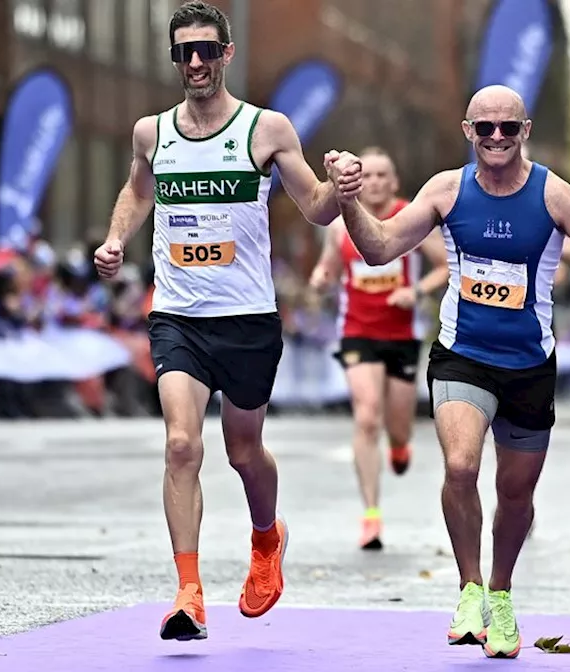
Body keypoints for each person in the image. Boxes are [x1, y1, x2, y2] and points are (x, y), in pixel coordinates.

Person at [323, 84, 570, 659]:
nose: (495, 137)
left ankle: (501, 592)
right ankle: (470, 588)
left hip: (529, 364)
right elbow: (378, 249)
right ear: (467, 132)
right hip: (462, 353)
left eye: (507, 127)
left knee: (516, 493)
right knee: (459, 464)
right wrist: (349, 199)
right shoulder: (447, 191)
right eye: (484, 128)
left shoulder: (555, 196)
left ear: (524, 131)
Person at [92, 0, 349, 642]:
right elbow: (137, 189)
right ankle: (188, 592)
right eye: (185, 52)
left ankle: (267, 537)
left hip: (248, 319)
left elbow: (314, 207)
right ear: (175, 58)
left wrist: (339, 188)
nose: (197, 62)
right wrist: (117, 237)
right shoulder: (152, 132)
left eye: (208, 49)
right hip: (178, 314)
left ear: (227, 54)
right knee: (182, 444)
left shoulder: (266, 129)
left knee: (243, 451)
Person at [308, 146, 449, 551]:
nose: (373, 183)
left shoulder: (410, 218)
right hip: (357, 332)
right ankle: (371, 515)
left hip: (400, 335)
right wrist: (320, 278)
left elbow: (443, 266)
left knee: (398, 426)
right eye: (366, 175)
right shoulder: (340, 223)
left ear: (394, 182)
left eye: (382, 176)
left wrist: (415, 290)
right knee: (367, 416)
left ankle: (400, 445)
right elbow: (329, 267)